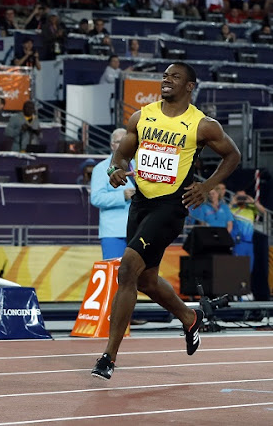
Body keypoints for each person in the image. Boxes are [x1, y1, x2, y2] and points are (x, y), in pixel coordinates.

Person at [91, 62, 241, 380]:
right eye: (165, 75)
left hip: (172, 205)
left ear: (190, 86)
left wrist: (207, 186)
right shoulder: (142, 116)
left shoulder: (202, 124)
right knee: (145, 281)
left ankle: (108, 357)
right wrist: (114, 170)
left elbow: (233, 155)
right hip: (141, 204)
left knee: (128, 267)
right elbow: (120, 156)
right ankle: (189, 317)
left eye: (175, 76)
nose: (167, 79)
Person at [90, 128, 135, 259]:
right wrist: (122, 196)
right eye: (118, 142)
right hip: (114, 233)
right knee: (115, 274)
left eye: (125, 142)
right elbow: (96, 198)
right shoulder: (101, 168)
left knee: (140, 275)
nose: (122, 145)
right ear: (112, 145)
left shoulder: (138, 165)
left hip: (138, 230)